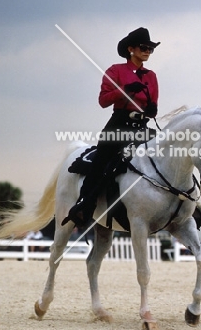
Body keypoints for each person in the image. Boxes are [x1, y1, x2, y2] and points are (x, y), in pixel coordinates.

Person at [63, 27, 160, 228]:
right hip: (119, 123)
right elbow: (103, 101)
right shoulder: (115, 71)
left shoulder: (151, 76)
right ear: (131, 49)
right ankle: (84, 205)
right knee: (102, 161)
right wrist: (124, 91)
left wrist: (151, 110)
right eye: (144, 47)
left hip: (142, 125)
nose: (147, 52)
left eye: (150, 49)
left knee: (166, 157)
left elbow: (154, 108)